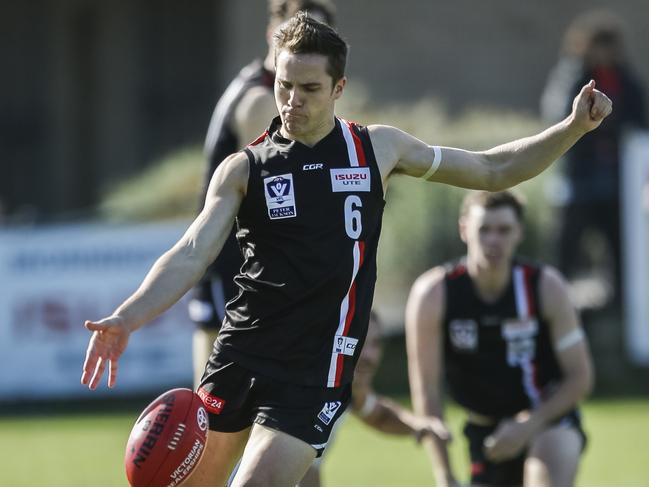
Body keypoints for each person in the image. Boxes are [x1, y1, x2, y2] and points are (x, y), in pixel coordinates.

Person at [81, 13, 611, 487]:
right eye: (284, 86)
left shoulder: (378, 149)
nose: (292, 101)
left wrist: (572, 128)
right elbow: (193, 250)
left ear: (339, 87)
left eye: (309, 88)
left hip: (318, 364)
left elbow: (493, 169)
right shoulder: (245, 168)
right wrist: (129, 317)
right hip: (241, 352)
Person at [190, 0, 336, 387]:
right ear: (273, 35)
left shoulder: (258, 84)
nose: (304, 48)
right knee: (228, 415)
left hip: (240, 265)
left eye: (315, 39)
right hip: (238, 270)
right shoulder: (260, 102)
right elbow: (286, 196)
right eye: (296, 35)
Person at [406, 191, 595, 487]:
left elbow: (580, 377)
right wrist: (444, 476)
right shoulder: (433, 294)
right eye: (484, 229)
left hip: (547, 419)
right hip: (485, 433)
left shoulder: (545, 286)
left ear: (519, 233)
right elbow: (426, 392)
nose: (494, 240)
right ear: (464, 229)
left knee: (547, 473)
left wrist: (528, 424)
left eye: (504, 230)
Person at [540, 10, 647, 309]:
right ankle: (556, 305)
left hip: (616, 179)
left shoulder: (625, 80)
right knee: (567, 247)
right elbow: (558, 116)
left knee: (619, 244)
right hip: (578, 179)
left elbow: (639, 120)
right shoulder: (572, 77)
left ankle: (619, 305)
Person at [298, 310, 450, 487]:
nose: (369, 356)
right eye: (360, 341)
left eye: (376, 344)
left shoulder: (346, 389)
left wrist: (418, 423)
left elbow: (379, 414)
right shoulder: (307, 390)